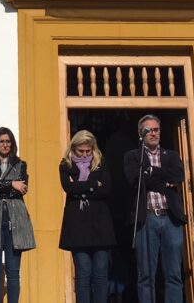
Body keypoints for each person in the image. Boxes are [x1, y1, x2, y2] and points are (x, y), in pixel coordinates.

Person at [124, 115, 186, 303]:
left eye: (156, 129)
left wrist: (151, 173)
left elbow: (179, 176)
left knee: (174, 273)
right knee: (146, 276)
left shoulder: (172, 155)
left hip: (171, 219)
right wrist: (163, 181)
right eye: (148, 130)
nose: (153, 133)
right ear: (140, 133)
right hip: (146, 218)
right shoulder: (132, 156)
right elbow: (133, 179)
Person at [0, 127, 36, 303]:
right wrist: (11, 184)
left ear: (12, 144)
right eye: (1, 141)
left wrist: (0, 188)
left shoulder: (20, 164)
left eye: (8, 141)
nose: (5, 145)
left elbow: (22, 190)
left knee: (13, 272)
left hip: (14, 222)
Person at [59, 130, 116, 303]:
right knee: (83, 272)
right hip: (77, 226)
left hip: (101, 225)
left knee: (100, 273)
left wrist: (80, 187)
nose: (84, 155)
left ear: (93, 149)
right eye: (80, 151)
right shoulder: (65, 165)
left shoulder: (101, 163)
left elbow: (108, 189)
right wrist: (93, 184)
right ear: (73, 148)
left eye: (88, 151)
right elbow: (68, 189)